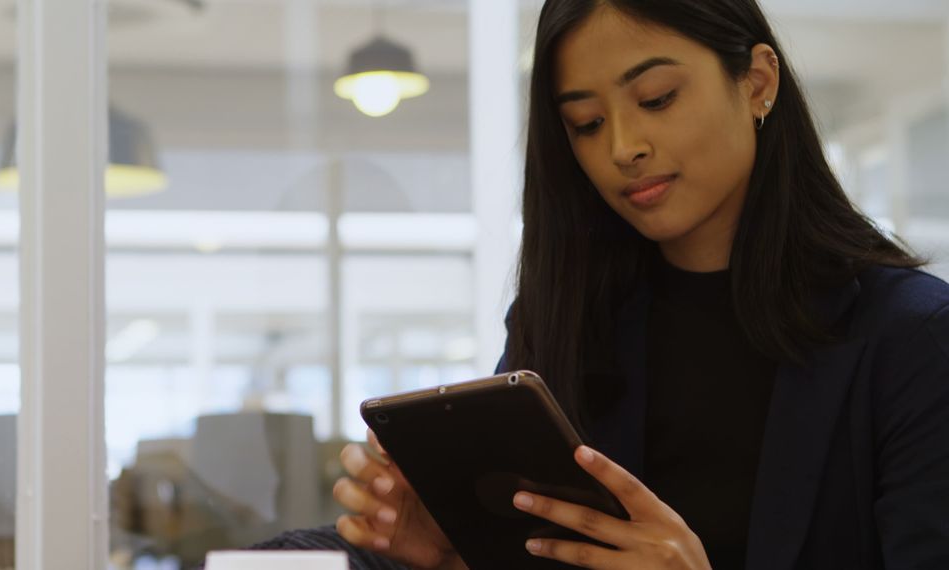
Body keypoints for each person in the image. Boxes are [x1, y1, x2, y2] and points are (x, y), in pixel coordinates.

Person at [253, 0, 949, 568]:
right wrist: (454, 555)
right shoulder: (565, 320)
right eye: (585, 123)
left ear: (758, 82)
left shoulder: (913, 336)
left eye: (657, 97)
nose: (623, 147)